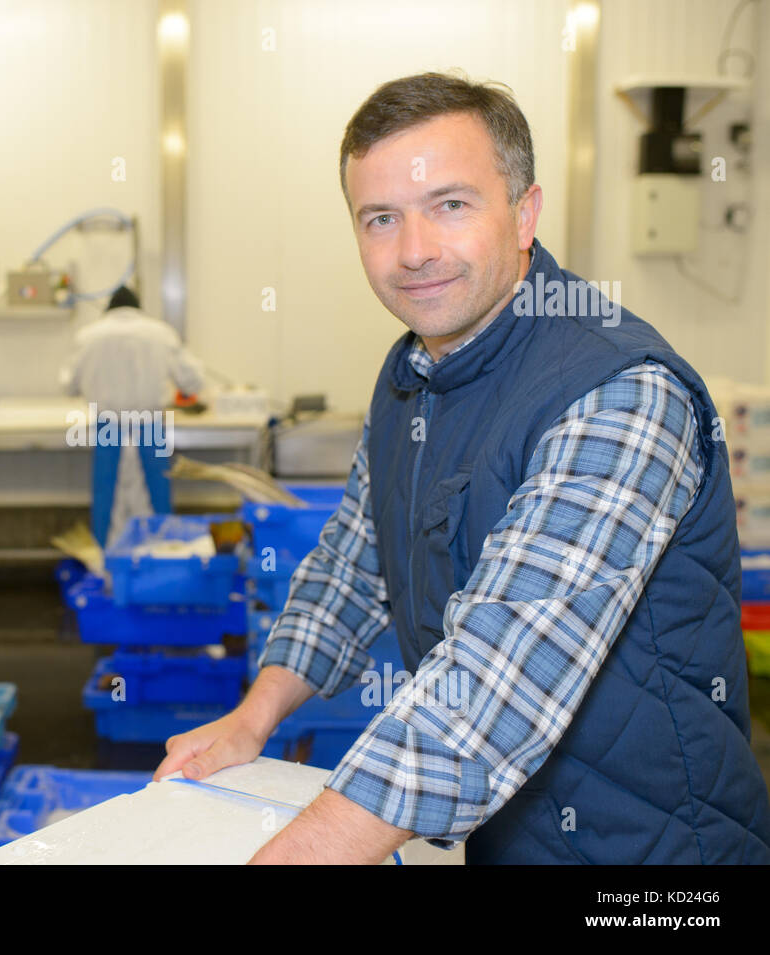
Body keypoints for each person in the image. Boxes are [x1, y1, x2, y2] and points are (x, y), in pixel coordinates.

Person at [156, 72, 770, 865]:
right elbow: (354, 562)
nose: (413, 252)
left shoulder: (619, 392)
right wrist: (253, 717)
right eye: (382, 218)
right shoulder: (414, 373)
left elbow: (496, 686)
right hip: (511, 838)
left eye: (450, 204)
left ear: (525, 213)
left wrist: (300, 853)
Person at [61, 286, 205, 547]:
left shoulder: (88, 336)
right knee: (157, 497)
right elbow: (193, 381)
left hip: (109, 428)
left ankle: (106, 572)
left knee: (107, 499)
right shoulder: (161, 333)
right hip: (150, 427)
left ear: (109, 310)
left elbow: (67, 384)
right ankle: (161, 565)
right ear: (138, 308)